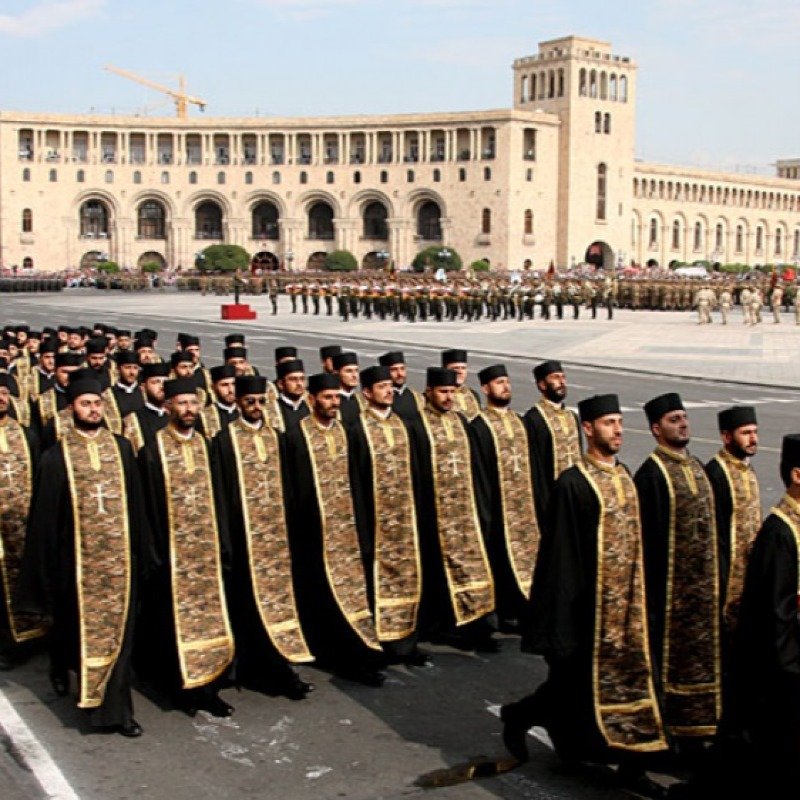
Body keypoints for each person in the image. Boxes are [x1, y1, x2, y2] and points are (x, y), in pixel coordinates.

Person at [501, 394, 668, 795]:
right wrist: (560, 628)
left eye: (620, 422)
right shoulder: (573, 484)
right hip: (587, 615)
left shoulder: (625, 476)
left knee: (636, 686)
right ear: (589, 428)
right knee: (571, 690)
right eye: (608, 423)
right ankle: (519, 715)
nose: (618, 430)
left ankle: (633, 769)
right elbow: (560, 561)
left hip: (629, 614)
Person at [16, 375, 150, 737]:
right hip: (76, 569)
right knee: (82, 638)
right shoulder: (56, 457)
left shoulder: (121, 448)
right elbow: (44, 522)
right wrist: (44, 576)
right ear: (71, 408)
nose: (92, 409)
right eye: (85, 403)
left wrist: (143, 553)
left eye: (97, 403)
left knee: (120, 641)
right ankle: (78, 684)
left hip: (122, 564)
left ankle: (117, 713)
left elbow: (137, 505)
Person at [137, 377, 235, 718]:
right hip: (172, 557)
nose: (189, 409)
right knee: (172, 625)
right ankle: (179, 688)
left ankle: (209, 686)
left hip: (206, 554)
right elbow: (146, 509)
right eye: (181, 404)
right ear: (167, 408)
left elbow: (220, 497)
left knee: (211, 621)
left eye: (193, 403)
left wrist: (223, 542)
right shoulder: (153, 449)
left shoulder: (206, 447)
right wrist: (154, 556)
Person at [212, 375, 314, 700]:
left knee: (281, 607)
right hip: (244, 543)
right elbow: (220, 496)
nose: (256, 408)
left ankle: (281, 671)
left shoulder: (278, 438)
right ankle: (248, 670)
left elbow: (294, 489)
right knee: (246, 608)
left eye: (261, 402)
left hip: (278, 542)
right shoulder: (223, 440)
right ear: (239, 403)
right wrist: (227, 543)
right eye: (250, 402)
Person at [284, 373, 385, 686]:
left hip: (348, 533)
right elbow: (290, 490)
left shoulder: (346, 432)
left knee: (354, 597)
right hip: (313, 535)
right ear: (312, 399)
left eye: (336, 398)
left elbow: (358, 482)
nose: (333, 404)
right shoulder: (295, 435)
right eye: (327, 398)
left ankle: (356, 654)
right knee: (320, 598)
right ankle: (332, 655)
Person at [634, 393, 721, 748]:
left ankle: (698, 732)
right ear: (657, 429)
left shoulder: (698, 467)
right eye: (674, 419)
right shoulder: (651, 475)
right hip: (667, 599)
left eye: (684, 417)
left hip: (702, 596)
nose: (683, 423)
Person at [406, 367, 497, 652]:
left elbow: (477, 468)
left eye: (452, 392)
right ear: (429, 392)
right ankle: (440, 627)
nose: (448, 398)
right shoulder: (416, 426)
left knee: (470, 570)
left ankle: (473, 625)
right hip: (433, 515)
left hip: (464, 513)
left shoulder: (460, 421)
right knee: (436, 575)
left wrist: (481, 509)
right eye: (443, 392)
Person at [348, 366, 427, 667]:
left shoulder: (404, 426)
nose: (388, 390)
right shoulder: (357, 429)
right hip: (376, 522)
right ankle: (380, 644)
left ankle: (407, 643)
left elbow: (417, 472)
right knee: (377, 584)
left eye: (389, 385)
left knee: (408, 580)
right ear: (367, 393)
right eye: (381, 386)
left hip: (405, 521)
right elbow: (354, 479)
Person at [470, 365, 540, 632]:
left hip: (523, 508)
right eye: (499, 383)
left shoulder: (519, 422)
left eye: (507, 382)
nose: (506, 387)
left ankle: (523, 609)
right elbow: (478, 474)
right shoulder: (479, 426)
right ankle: (502, 612)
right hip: (498, 508)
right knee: (499, 559)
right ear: (486, 389)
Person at [0, 375, 44, 670]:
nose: (1, 397)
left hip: (24, 524)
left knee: (24, 582)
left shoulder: (26, 434)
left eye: (4, 392)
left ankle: (29, 640)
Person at [705, 407, 760, 637]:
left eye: (755, 432)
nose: (753, 439)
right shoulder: (715, 473)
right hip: (726, 579)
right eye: (745, 433)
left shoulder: (747, 469)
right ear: (727, 437)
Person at [523, 360, 581, 525]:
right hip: (550, 498)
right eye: (555, 378)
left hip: (575, 493)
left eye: (563, 377)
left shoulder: (571, 416)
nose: (561, 382)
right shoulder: (533, 419)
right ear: (542, 384)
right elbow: (535, 467)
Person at [122, 362, 170, 453]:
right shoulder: (133, 420)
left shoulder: (174, 417)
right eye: (156, 382)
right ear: (143, 387)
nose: (162, 386)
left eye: (165, 382)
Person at [378, 351, 424, 423]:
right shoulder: (379, 398)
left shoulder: (417, 398)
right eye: (394, 370)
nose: (400, 374)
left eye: (402, 368)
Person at [197, 365, 239, 438]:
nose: (230, 390)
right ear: (213, 387)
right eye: (224, 385)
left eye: (234, 384)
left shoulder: (244, 412)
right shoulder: (203, 416)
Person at [441, 349, 481, 421]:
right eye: (455, 368)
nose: (460, 372)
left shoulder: (474, 395)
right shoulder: (435, 396)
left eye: (463, 368)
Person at [274, 358, 310, 431]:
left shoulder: (311, 407)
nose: (299, 383)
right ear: (280, 384)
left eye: (302, 379)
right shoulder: (273, 410)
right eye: (293, 379)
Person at [331, 351, 365, 427]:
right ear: (336, 374)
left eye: (356, 370)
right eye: (349, 371)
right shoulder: (330, 401)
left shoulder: (363, 401)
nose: (354, 375)